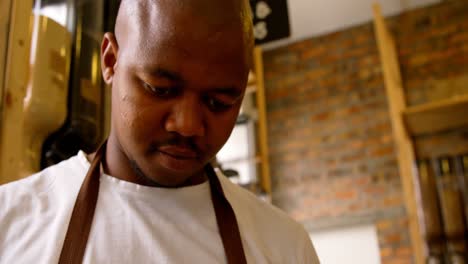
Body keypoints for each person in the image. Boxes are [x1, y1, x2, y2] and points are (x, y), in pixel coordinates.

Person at [0, 0, 320, 263]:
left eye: (218, 102)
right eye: (160, 89)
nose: (188, 125)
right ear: (110, 60)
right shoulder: (11, 222)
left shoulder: (285, 247)